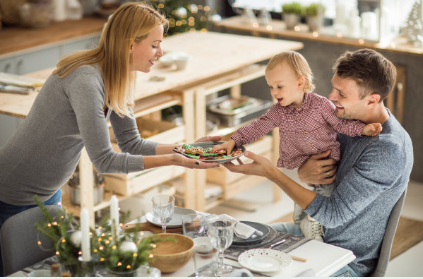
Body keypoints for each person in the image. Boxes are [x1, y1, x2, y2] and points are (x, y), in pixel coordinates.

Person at [0, 3, 220, 276]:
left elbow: (130, 143)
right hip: (11, 192)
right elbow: (104, 160)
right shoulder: (85, 79)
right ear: (130, 45)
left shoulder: (119, 77)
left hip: (48, 192)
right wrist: (172, 160)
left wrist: (185, 148)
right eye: (154, 45)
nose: (160, 53)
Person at [223, 48, 413, 277]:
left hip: (342, 259)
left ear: (372, 99)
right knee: (230, 237)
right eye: (334, 87)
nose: (332, 96)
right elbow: (307, 159)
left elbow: (333, 215)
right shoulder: (345, 117)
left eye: (342, 93)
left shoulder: (387, 149)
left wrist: (272, 173)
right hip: (311, 233)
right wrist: (230, 141)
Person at [212, 51, 382, 241]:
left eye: (279, 86)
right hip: (301, 167)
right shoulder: (278, 112)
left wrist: (363, 130)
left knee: (320, 202)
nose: (274, 92)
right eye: (270, 87)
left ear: (300, 83)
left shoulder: (321, 105)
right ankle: (302, 227)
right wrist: (235, 140)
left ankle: (315, 236)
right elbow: (259, 126)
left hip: (326, 165)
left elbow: (341, 125)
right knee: (300, 206)